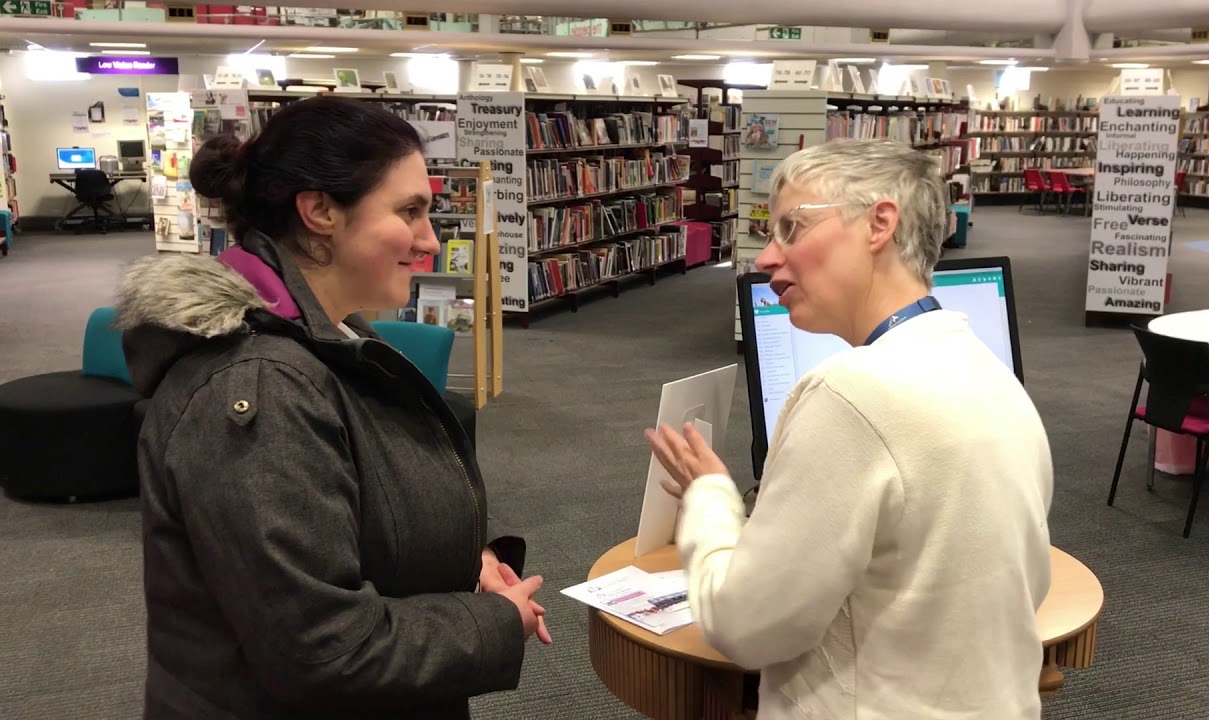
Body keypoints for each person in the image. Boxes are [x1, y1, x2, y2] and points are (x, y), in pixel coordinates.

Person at [116, 96, 549, 720]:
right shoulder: (259, 391)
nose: (431, 240)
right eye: (409, 212)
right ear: (319, 210)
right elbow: (321, 649)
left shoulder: (333, 344)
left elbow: (361, 512)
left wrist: (465, 561)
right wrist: (489, 623)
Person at [645, 138, 1053, 719]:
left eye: (792, 228)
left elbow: (744, 624)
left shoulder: (848, 394)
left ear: (879, 223)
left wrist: (710, 497)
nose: (765, 258)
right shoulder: (994, 378)